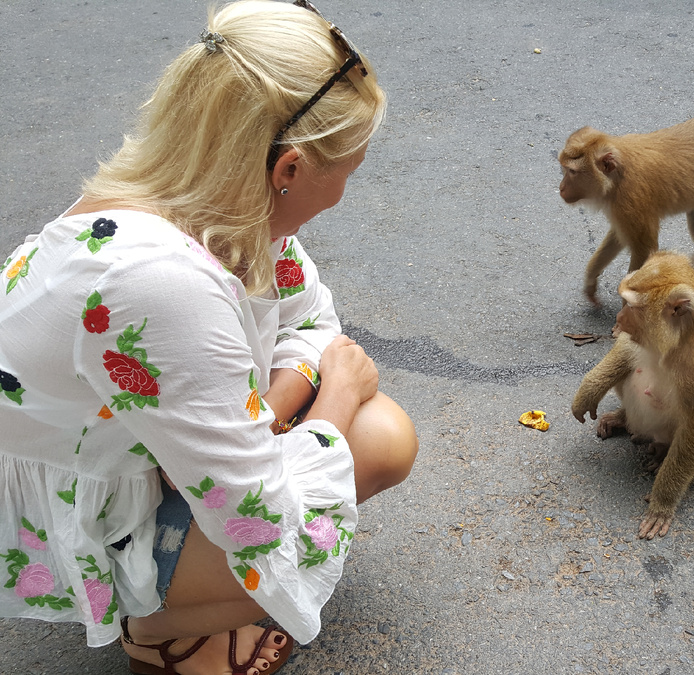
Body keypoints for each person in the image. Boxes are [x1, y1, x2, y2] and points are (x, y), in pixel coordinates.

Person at [0, 1, 418, 673]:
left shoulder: (202, 188)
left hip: (124, 457)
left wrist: (274, 412)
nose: (344, 190)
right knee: (369, 440)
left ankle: (176, 592)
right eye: (348, 169)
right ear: (290, 169)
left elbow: (311, 319)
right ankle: (162, 631)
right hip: (74, 498)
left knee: (378, 435)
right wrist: (332, 401)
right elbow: (259, 518)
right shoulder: (162, 282)